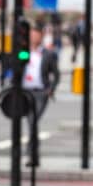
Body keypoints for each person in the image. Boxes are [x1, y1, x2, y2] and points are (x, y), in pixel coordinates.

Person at [20, 23, 60, 161]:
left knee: (33, 120)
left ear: (41, 36)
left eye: (36, 35)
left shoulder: (48, 54)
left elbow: (56, 74)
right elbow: (16, 67)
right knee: (31, 122)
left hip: (41, 93)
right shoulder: (24, 52)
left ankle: (30, 152)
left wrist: (51, 90)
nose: (34, 37)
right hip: (25, 92)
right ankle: (34, 154)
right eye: (31, 35)